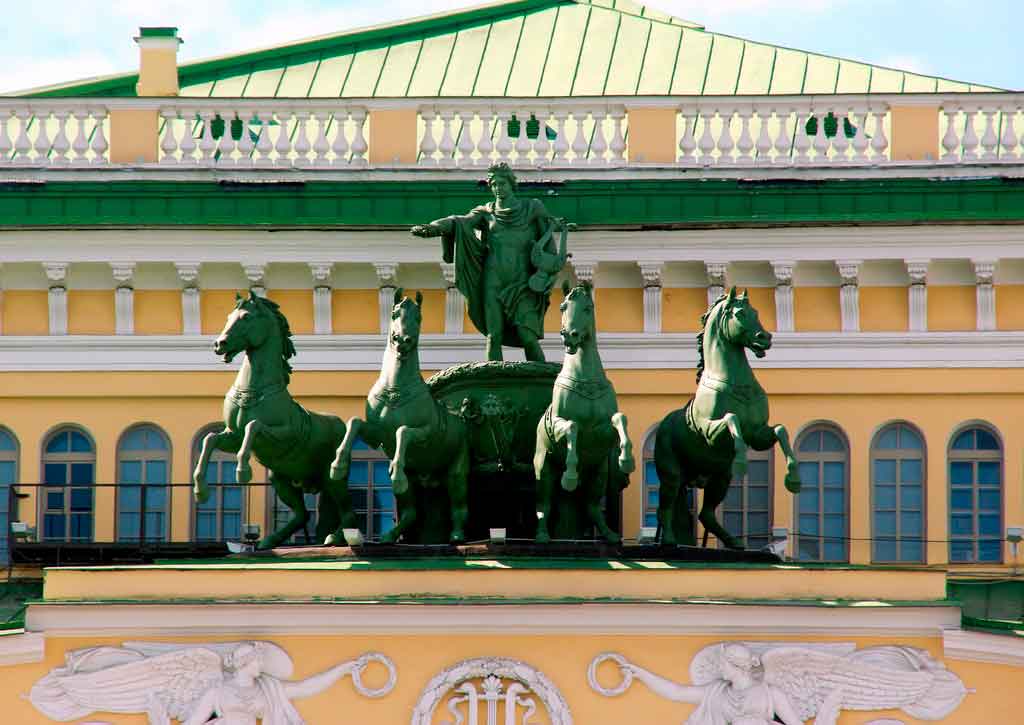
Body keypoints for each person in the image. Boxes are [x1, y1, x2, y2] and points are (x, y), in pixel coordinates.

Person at [411, 162, 567, 362]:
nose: (497, 188)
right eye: (493, 184)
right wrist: (434, 228)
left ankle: (544, 387)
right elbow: (459, 221)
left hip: (522, 284)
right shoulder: (486, 212)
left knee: (528, 337)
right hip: (493, 279)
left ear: (511, 184)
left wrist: (545, 273)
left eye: (501, 183)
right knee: (494, 336)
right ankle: (493, 381)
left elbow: (550, 242)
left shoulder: (532, 208)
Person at [621, 644, 805, 725]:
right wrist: (642, 674)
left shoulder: (769, 693)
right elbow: (676, 692)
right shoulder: (716, 692)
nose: (719, 667)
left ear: (737, 666)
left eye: (723, 663)